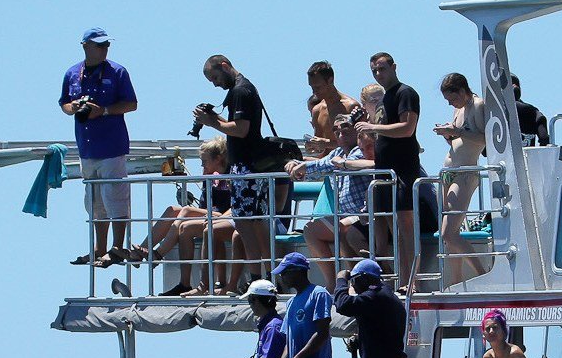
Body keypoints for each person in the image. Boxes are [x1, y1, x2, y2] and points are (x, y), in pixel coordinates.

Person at [194, 55, 282, 286]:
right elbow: (237, 125)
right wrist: (216, 118)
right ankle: (273, 276)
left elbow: (242, 130)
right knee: (255, 223)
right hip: (251, 167)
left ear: (224, 66)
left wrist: (212, 122)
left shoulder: (241, 91)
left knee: (244, 224)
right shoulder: (243, 89)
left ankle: (256, 279)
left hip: (245, 168)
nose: (214, 83)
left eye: (214, 77)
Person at [60, 28, 139, 268]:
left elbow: (131, 104)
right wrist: (74, 108)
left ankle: (117, 247)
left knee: (115, 196)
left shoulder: (117, 71)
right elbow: (63, 102)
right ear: (85, 46)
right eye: (99, 45)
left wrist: (102, 110)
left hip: (112, 145)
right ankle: (99, 247)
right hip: (87, 147)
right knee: (94, 200)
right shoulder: (73, 73)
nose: (104, 49)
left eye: (106, 45)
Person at [129, 137, 239, 296]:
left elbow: (235, 206)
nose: (202, 166)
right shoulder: (211, 177)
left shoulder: (232, 175)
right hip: (213, 214)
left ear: (218, 159)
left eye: (205, 161)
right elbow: (204, 205)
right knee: (173, 211)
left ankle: (158, 254)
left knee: (186, 211)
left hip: (225, 216)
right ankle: (147, 252)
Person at [355, 53, 421, 292]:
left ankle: (411, 281)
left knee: (406, 227)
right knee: (391, 229)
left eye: (382, 69)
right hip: (384, 173)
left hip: (402, 170)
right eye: (374, 71)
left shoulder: (406, 93)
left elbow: (407, 128)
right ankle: (399, 278)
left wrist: (373, 126)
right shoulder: (384, 101)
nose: (378, 74)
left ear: (394, 67)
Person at [291, 115, 377, 288]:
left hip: (366, 214)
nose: (340, 131)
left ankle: (360, 279)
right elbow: (321, 166)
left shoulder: (360, 151)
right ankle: (332, 283)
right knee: (311, 230)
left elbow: (333, 165)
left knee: (342, 227)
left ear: (356, 130)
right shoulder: (337, 153)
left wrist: (306, 166)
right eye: (336, 129)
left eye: (345, 126)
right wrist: (296, 165)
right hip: (346, 216)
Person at [431, 72, 490, 287]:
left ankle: (481, 273)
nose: (451, 103)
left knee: (449, 233)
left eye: (452, 99)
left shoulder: (478, 105)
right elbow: (460, 140)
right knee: (447, 235)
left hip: (466, 173)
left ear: (463, 90)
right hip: (449, 171)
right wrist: (449, 135)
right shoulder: (459, 108)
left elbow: (485, 139)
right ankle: (455, 281)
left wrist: (456, 131)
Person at [305, 61, 365, 151]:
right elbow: (319, 147)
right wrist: (312, 146)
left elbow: (359, 143)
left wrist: (327, 144)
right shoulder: (317, 110)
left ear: (330, 80)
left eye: (318, 87)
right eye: (312, 87)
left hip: (345, 161)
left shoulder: (351, 106)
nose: (314, 92)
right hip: (324, 161)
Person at [510, 74, 549, 147]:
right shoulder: (532, 111)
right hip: (529, 156)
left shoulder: (494, 112)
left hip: (501, 157)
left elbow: (485, 151)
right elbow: (544, 137)